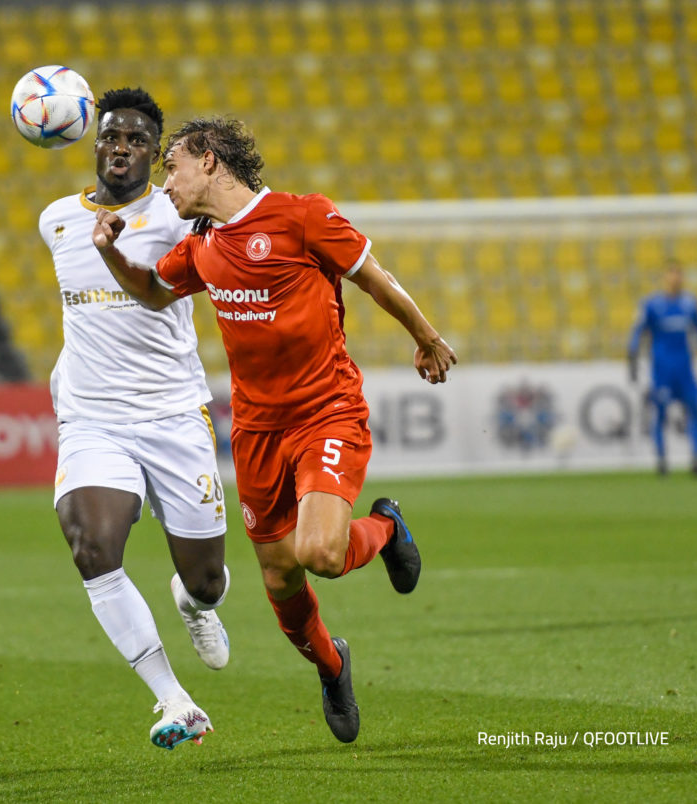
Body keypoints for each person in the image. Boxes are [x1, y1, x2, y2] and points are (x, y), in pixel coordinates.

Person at [91, 116, 457, 743]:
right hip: (257, 433)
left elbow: (375, 278)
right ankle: (333, 665)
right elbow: (154, 293)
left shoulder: (303, 217)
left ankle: (387, 525)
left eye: (171, 167)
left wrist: (425, 337)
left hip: (326, 411)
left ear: (208, 161)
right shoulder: (202, 247)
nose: (166, 184)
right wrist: (108, 253)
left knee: (320, 554)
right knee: (280, 580)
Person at [39, 90, 231, 750]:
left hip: (174, 415)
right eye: (111, 136)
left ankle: (193, 601)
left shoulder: (181, 221)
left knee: (208, 579)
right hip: (94, 419)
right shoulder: (57, 220)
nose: (120, 147)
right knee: (91, 548)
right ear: (95, 144)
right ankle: (174, 700)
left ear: (155, 155)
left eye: (137, 140)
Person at [628, 258, 697, 475]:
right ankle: (662, 461)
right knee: (660, 414)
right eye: (672, 273)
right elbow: (637, 332)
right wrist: (632, 360)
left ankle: (696, 460)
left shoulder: (691, 304)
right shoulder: (651, 305)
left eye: (679, 274)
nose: (676, 278)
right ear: (665, 277)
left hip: (685, 370)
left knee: (695, 412)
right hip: (662, 370)